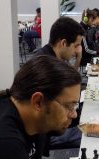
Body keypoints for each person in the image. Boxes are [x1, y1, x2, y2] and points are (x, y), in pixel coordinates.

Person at [34, 17, 84, 150]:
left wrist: (78, 58)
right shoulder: (45, 65)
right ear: (63, 43)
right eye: (76, 45)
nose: (78, 50)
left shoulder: (54, 56)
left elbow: (70, 79)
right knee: (92, 134)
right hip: (47, 133)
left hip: (54, 121)